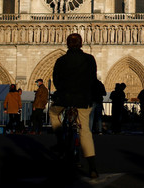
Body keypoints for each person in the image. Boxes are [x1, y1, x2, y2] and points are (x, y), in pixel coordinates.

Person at [49, 33, 99, 179]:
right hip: (83, 100)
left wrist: (62, 91)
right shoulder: (89, 59)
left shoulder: (61, 60)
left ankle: (60, 140)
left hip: (65, 99)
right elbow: (92, 79)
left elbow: (56, 80)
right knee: (85, 130)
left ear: (67, 44)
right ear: (81, 43)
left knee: (53, 113)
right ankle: (92, 168)